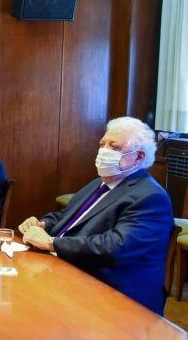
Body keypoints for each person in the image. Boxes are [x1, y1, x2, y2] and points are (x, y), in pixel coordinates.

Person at [19, 117, 173, 315]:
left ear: (139, 157)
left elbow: (115, 246)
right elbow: (67, 217)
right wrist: (42, 224)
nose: (104, 151)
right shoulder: (99, 183)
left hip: (117, 297)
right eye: (102, 144)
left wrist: (52, 243)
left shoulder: (150, 197)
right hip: (71, 273)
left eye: (114, 147)